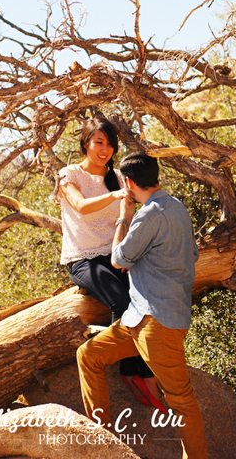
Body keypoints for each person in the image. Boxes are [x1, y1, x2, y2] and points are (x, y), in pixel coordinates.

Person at [76, 151, 208, 459]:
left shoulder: (149, 214)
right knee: (89, 355)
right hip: (138, 320)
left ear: (129, 181)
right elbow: (194, 255)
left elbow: (118, 258)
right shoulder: (177, 207)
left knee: (181, 400)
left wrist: (124, 214)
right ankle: (104, 446)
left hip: (157, 324)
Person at [56, 117, 161, 409]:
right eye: (98, 142)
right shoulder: (69, 175)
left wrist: (127, 254)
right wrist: (115, 194)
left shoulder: (117, 175)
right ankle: (128, 371)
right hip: (83, 258)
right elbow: (80, 206)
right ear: (85, 143)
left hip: (115, 252)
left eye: (110, 144)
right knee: (122, 302)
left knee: (147, 300)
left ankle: (145, 374)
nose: (105, 149)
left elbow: (127, 219)